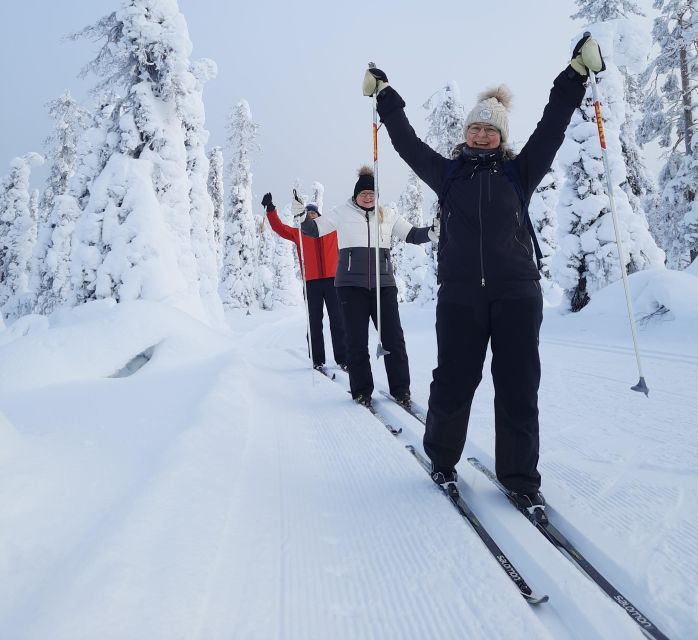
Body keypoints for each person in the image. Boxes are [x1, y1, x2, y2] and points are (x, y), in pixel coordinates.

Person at [362, 35, 605, 516]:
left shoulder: (521, 172)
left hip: (516, 295)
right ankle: (441, 459)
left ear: (501, 137)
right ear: (466, 132)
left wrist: (576, 73)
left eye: (490, 130)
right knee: (453, 380)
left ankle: (518, 478)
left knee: (517, 385)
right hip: (459, 298)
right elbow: (407, 143)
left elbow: (553, 123)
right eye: (475, 128)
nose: (481, 135)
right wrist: (384, 96)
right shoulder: (448, 173)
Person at [298, 166, 439, 407]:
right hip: (350, 287)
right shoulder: (340, 213)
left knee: (393, 339)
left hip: (384, 285)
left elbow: (412, 235)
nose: (368, 198)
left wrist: (433, 232)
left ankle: (401, 389)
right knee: (356, 340)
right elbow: (313, 230)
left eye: (372, 194)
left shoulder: (387, 214)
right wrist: (300, 216)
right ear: (355, 195)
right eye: (363, 194)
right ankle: (362, 390)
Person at [261, 192, 347, 371]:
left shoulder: (332, 231)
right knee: (314, 321)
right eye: (307, 214)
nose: (311, 216)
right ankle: (318, 360)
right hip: (312, 283)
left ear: (319, 215)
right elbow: (278, 227)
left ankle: (343, 358)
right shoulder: (299, 233)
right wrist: (270, 209)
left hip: (333, 281)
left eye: (313, 213)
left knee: (337, 320)